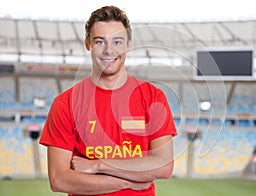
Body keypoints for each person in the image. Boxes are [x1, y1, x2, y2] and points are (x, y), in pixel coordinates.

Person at [39, 5, 177, 196]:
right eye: (100, 42)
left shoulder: (153, 97)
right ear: (88, 44)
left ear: (129, 44)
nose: (109, 50)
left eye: (117, 42)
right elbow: (59, 179)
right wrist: (127, 181)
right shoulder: (65, 103)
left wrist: (98, 165)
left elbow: (163, 166)